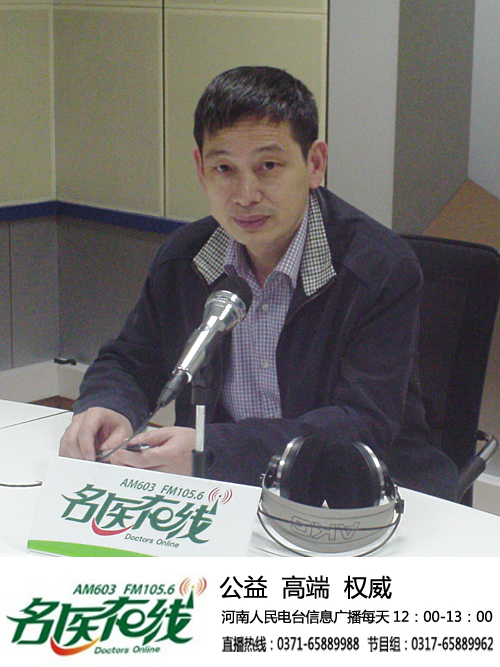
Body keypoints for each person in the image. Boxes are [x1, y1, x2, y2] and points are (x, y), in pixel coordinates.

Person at [60, 66, 458, 503]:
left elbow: (361, 424)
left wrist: (212, 451)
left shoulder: (378, 268)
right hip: (227, 494)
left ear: (314, 164)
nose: (245, 194)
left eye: (268, 166)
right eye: (224, 168)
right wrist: (108, 405)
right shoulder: (185, 259)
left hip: (358, 495)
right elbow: (132, 360)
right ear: (201, 170)